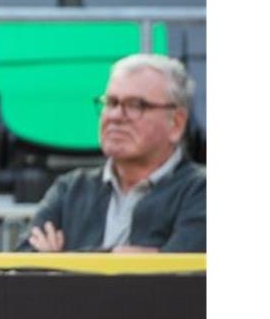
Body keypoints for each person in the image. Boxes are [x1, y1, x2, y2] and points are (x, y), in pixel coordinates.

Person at [18, 54, 206, 253]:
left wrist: (61, 261)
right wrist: (122, 257)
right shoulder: (70, 188)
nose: (115, 116)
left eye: (136, 105)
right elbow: (24, 264)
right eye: (111, 102)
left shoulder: (202, 191)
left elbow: (178, 275)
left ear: (176, 123)